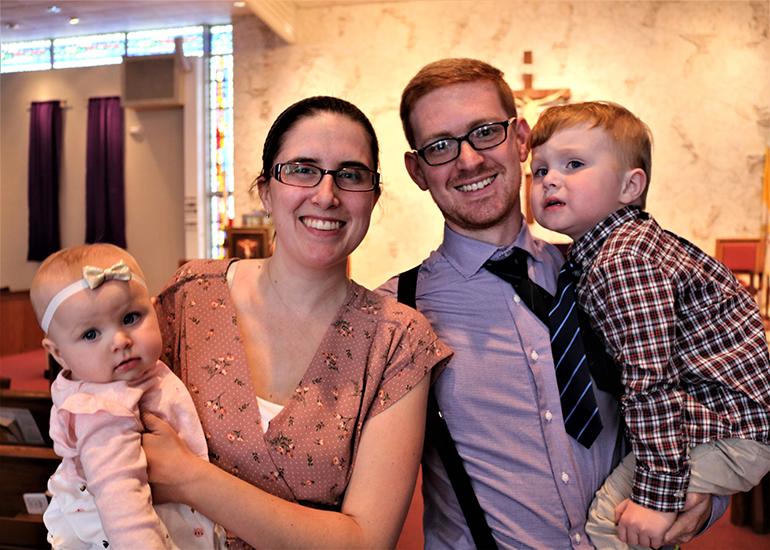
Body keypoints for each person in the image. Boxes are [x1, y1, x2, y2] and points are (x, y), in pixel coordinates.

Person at [377, 58, 727, 549]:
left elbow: (701, 391)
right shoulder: (394, 313)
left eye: (485, 132)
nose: (469, 160)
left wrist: (706, 497)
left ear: (520, 138)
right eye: (440, 145)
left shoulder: (612, 273)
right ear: (416, 170)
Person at [142, 96, 452, 550]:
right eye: (303, 169)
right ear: (266, 190)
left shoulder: (397, 341)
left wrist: (189, 478)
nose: (326, 195)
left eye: (350, 174)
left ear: (373, 198)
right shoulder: (190, 297)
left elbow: (366, 541)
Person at [528, 100, 770, 550]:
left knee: (610, 524)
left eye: (573, 163)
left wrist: (657, 495)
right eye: (539, 170)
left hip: (724, 427)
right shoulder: (618, 246)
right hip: (719, 421)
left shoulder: (623, 261)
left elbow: (649, 379)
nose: (549, 180)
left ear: (629, 186)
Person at [29, 243, 225, 549]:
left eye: (131, 317)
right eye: (91, 334)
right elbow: (118, 497)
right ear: (59, 355)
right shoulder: (102, 409)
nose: (120, 340)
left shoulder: (132, 377)